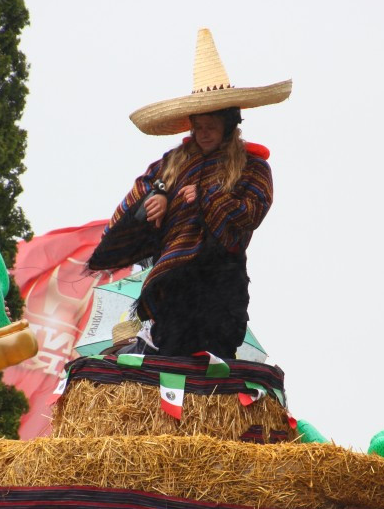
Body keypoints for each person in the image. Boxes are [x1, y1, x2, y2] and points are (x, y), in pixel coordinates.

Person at [87, 28, 291, 359]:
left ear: (229, 124)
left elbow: (250, 213)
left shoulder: (254, 168)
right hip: (172, 285)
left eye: (211, 125)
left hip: (222, 281)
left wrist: (207, 195)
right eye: (198, 126)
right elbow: (134, 202)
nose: (203, 133)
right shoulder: (173, 163)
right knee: (170, 360)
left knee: (213, 365)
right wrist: (158, 200)